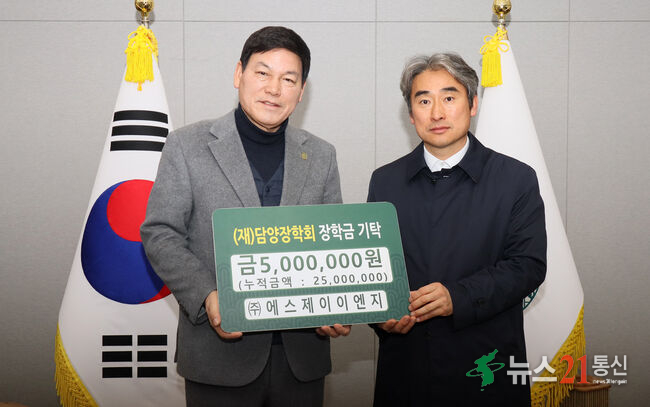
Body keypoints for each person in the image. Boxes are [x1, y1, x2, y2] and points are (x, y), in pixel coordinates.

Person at [141, 26, 350, 407]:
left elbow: (332, 242)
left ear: (301, 91)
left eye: (288, 79)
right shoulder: (187, 145)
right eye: (262, 73)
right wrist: (207, 295)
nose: (274, 89)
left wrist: (336, 302)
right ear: (239, 74)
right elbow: (160, 232)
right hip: (217, 357)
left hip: (301, 357)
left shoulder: (322, 155)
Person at [367, 52, 547, 406]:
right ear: (410, 113)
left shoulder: (515, 179)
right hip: (406, 368)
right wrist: (380, 315)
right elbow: (374, 269)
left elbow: (528, 266)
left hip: (485, 365)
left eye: (449, 98)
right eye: (424, 101)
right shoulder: (385, 181)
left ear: (473, 104)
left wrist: (458, 297)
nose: (437, 113)